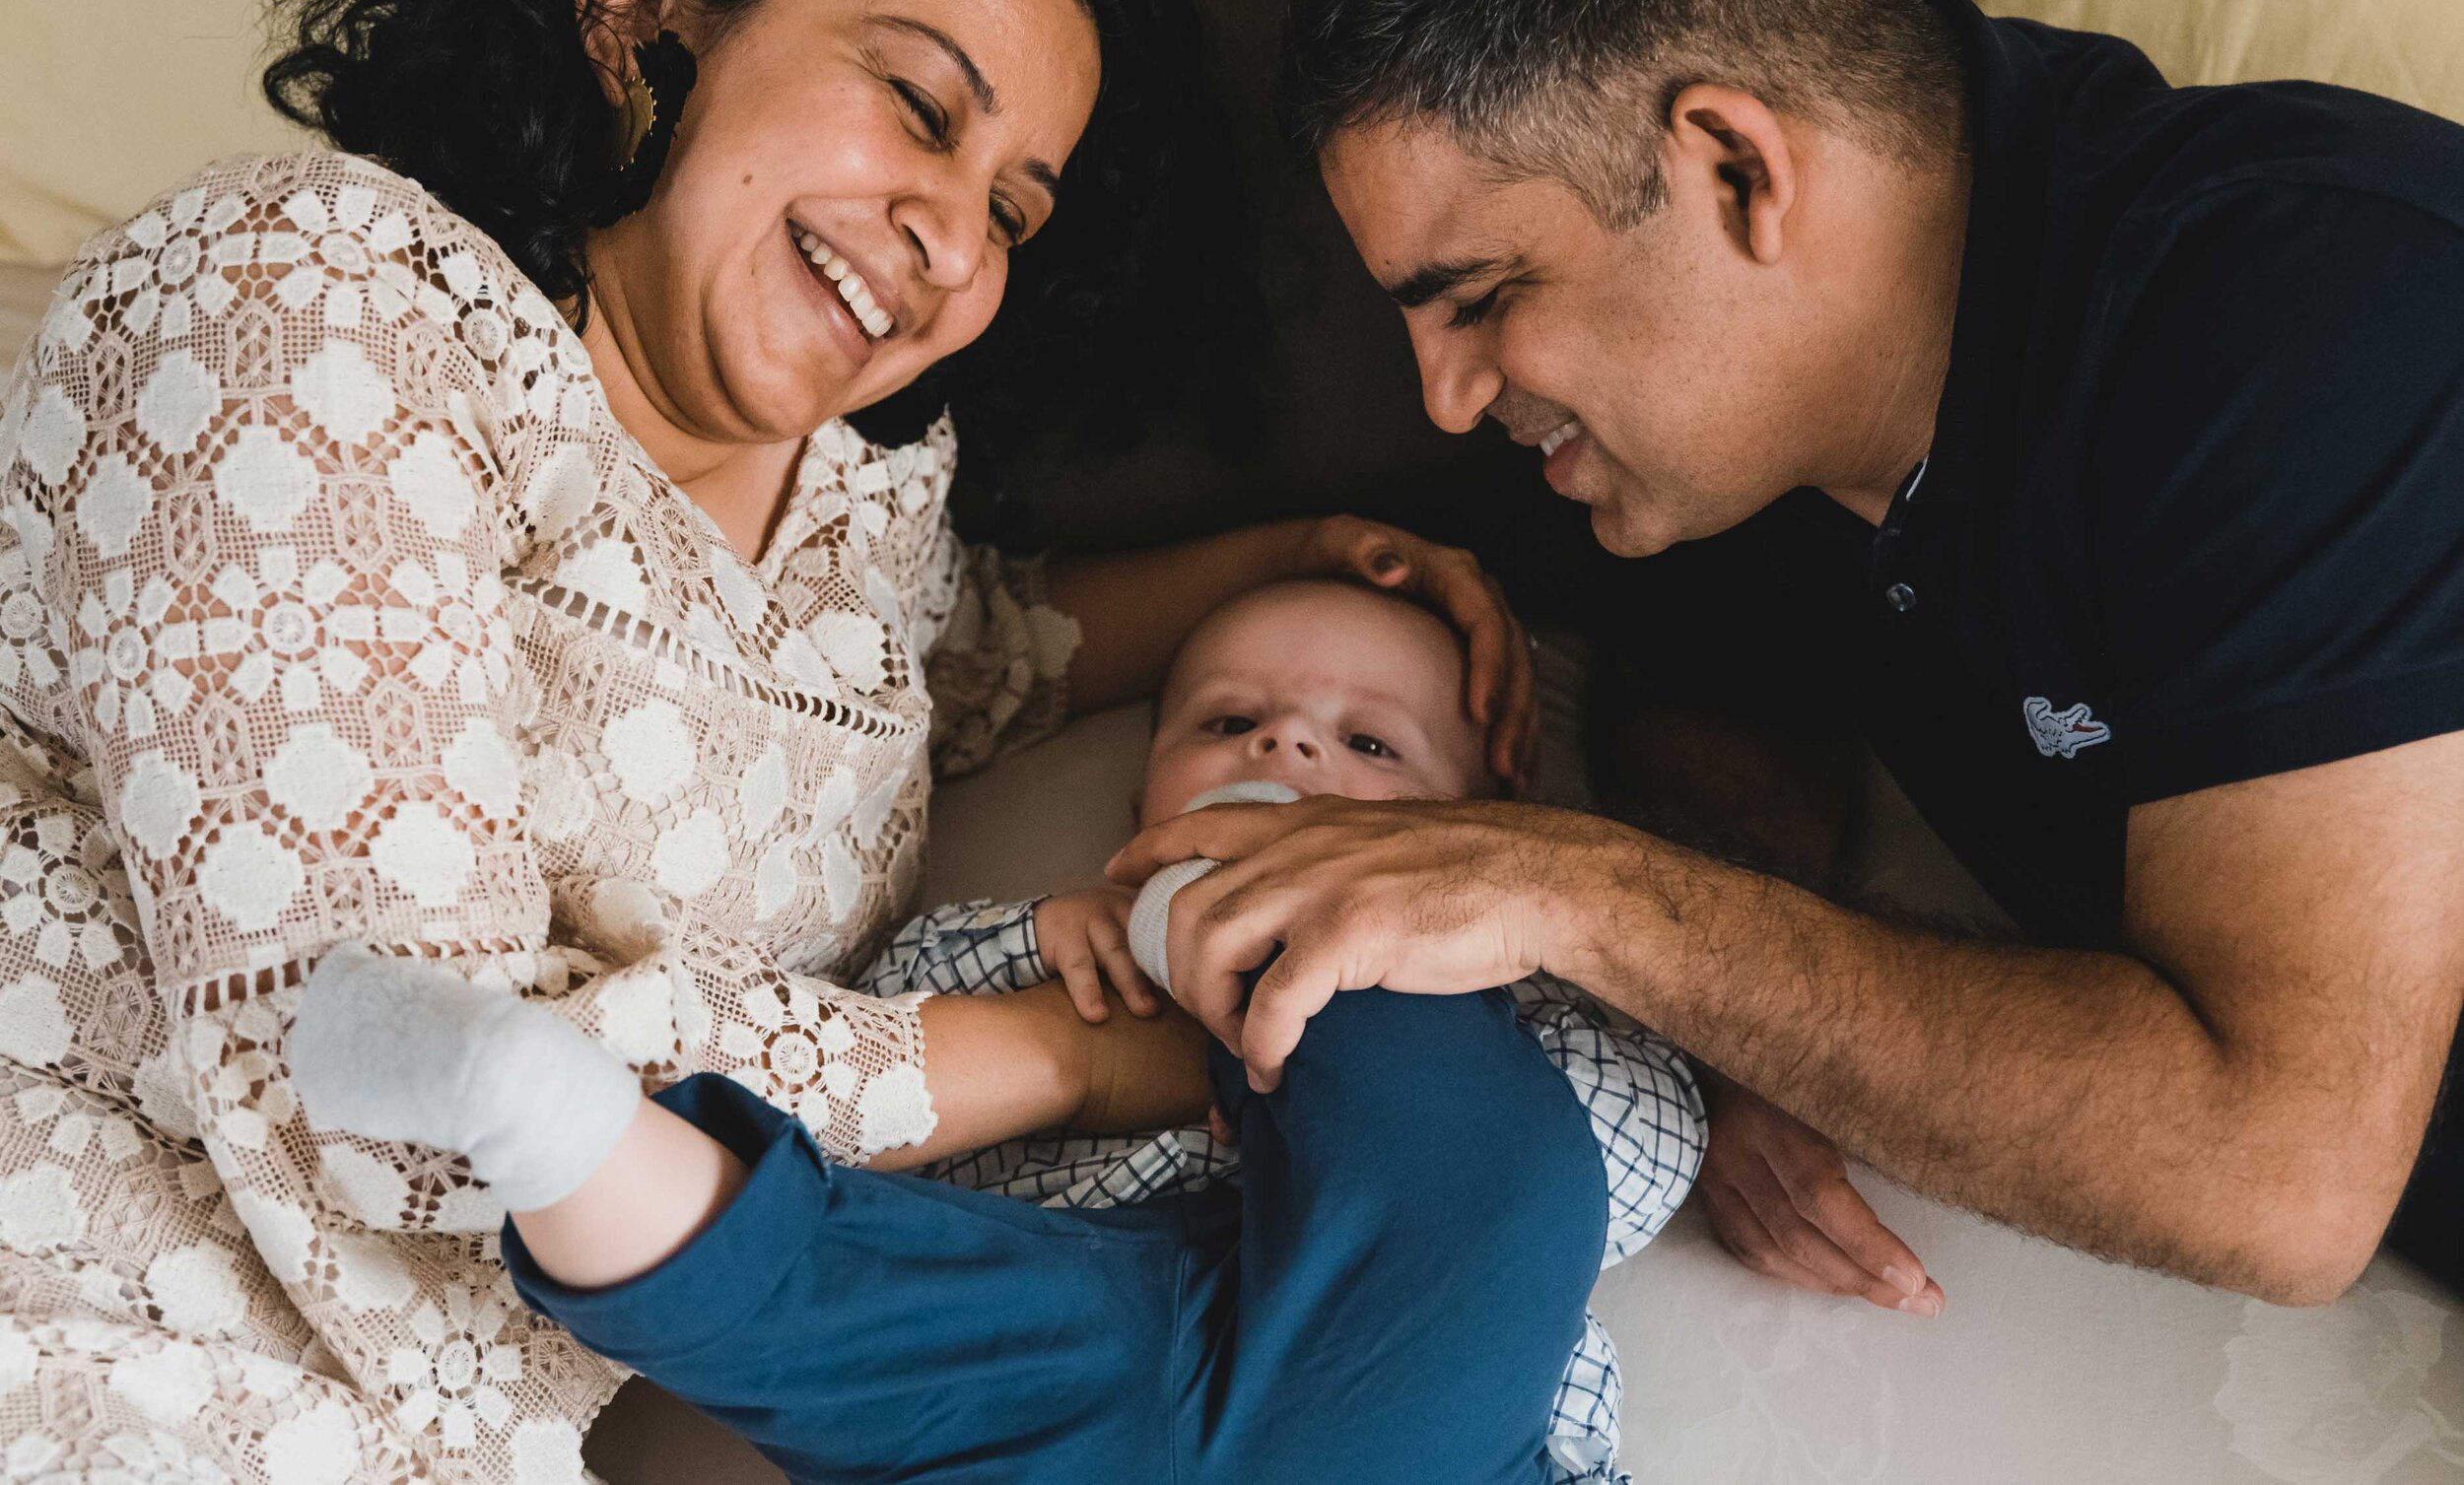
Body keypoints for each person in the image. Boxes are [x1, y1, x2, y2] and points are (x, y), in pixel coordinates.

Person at [0, 0, 1540, 1478]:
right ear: (645, 14)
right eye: (921, 109)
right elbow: (379, 1082)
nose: (952, 240)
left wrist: (1311, 558)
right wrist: (1068, 1056)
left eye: (1012, 209)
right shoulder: (304, 297)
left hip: (434, 1434)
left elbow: (976, 653)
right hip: (75, 1299)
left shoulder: (861, 511)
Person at [1116, 0, 2464, 1312]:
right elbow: (1716, 697)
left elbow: (2278, 1176)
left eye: (1486, 299)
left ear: (1736, 168)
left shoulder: (2306, 328)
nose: (1445, 400)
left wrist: (1577, 895)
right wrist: (1750, 1027)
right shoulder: (1741, 407)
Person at [285, 577, 1701, 1484]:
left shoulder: (1519, 1011)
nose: (1289, 751)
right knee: (849, 1300)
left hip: (1394, 1398)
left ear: (1477, 828)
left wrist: (1342, 979)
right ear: (1149, 781)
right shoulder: (1031, 948)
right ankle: (555, 1123)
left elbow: (1641, 1149)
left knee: (1505, 1179)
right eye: (1232, 723)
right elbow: (881, 1079)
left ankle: (1292, 912)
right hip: (1071, 1381)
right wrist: (1062, 958)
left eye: (1368, 747)